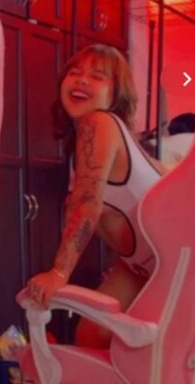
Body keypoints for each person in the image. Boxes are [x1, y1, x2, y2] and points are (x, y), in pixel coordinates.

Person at [25, 44, 166, 347]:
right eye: (74, 73)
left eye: (97, 76)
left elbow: (86, 204)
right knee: (92, 334)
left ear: (116, 95)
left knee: (147, 352)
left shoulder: (98, 122)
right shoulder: (96, 136)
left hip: (173, 264)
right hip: (141, 265)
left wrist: (59, 273)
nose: (82, 80)